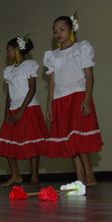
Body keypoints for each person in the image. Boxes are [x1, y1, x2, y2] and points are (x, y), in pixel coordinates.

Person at [44, 14, 103, 186]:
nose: (58, 33)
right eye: (55, 31)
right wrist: (50, 104)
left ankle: (89, 174)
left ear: (71, 29)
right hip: (60, 100)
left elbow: (89, 77)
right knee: (70, 141)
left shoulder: (81, 49)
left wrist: (87, 99)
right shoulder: (52, 56)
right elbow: (52, 81)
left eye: (62, 29)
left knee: (79, 139)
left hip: (78, 97)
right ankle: (80, 177)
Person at [0, 36, 48, 186]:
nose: (7, 53)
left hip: (29, 108)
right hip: (13, 109)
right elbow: (9, 94)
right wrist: (7, 113)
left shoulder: (29, 65)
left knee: (32, 143)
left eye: (9, 50)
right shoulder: (9, 70)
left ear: (17, 50)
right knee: (6, 143)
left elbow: (32, 89)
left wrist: (20, 112)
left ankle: (34, 176)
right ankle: (15, 175)